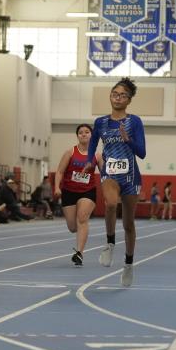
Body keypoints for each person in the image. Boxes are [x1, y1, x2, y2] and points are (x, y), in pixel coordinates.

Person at [85, 77, 145, 287]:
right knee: (110, 204)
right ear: (110, 96)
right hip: (109, 172)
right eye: (115, 94)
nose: (118, 98)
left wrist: (128, 140)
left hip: (131, 176)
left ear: (129, 100)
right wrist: (89, 161)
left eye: (123, 95)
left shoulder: (134, 122)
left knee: (128, 224)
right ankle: (110, 243)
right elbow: (93, 144)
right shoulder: (100, 122)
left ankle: (128, 264)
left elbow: (142, 153)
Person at [54, 123, 100, 266]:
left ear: (92, 135)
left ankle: (79, 253)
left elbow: (105, 174)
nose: (84, 134)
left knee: (82, 218)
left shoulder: (97, 155)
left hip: (88, 191)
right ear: (77, 136)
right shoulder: (70, 152)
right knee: (73, 227)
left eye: (87, 132)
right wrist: (57, 187)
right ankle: (79, 244)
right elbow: (60, 171)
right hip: (69, 191)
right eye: (81, 132)